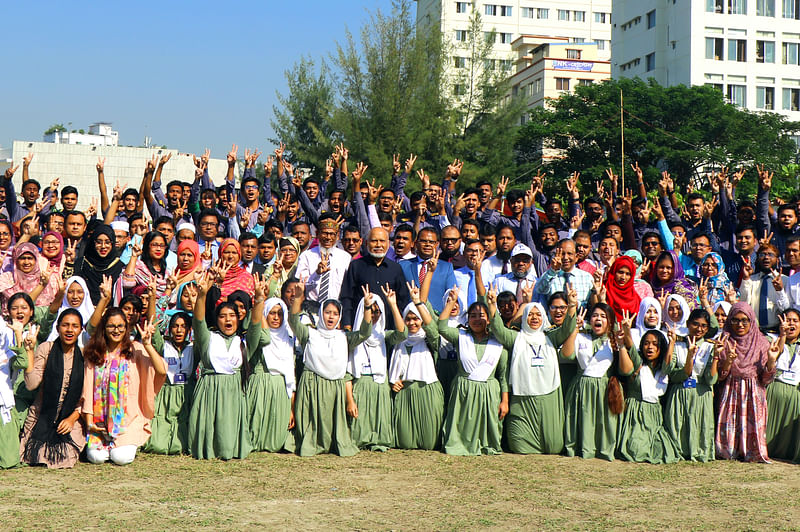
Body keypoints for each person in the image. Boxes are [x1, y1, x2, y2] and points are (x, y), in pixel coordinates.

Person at [489, 286, 578, 454]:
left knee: (554, 446)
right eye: (530, 314)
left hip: (548, 394)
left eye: (538, 315)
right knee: (519, 446)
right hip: (522, 395)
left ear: (543, 317)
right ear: (524, 318)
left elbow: (567, 328)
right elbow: (499, 330)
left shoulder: (550, 336)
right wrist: (493, 304)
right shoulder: (516, 338)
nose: (534, 318)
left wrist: (572, 305)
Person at [288, 282, 373, 457]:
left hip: (335, 387)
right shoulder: (310, 334)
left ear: (340, 317)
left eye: (335, 313)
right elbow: (293, 321)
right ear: (321, 314)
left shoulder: (344, 337)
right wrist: (298, 297)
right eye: (327, 312)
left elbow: (364, 333)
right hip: (313, 384)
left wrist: (366, 307)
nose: (331, 317)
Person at [188, 272, 264, 460]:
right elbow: (198, 322)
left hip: (233, 391)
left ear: (238, 319)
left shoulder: (244, 342)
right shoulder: (208, 338)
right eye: (222, 316)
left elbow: (255, 326)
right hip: (209, 389)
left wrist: (260, 299)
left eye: (232, 315)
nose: (227, 320)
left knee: (229, 425)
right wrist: (202, 295)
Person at [82, 307, 167, 465]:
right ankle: (106, 444)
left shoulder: (135, 349)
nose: (116, 330)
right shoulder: (95, 353)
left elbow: (161, 370)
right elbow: (87, 389)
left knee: (121, 458)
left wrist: (148, 344)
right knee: (96, 458)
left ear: (126, 328)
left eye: (120, 326)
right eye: (111, 326)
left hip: (128, 419)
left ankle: (123, 442)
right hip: (100, 421)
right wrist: (89, 422)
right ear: (104, 328)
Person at [438, 287, 509, 456]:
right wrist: (451, 302)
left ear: (490, 319)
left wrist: (504, 401)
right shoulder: (460, 337)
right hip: (464, 389)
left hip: (489, 391)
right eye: (473, 316)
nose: (477, 319)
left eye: (481, 316)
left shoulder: (498, 342)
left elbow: (503, 375)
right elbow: (441, 327)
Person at [19, 309, 85, 468]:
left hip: (69, 418)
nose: (70, 330)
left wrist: (71, 419)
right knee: (36, 456)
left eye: (75, 326)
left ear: (81, 330)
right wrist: (29, 351)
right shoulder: (46, 348)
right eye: (65, 325)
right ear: (58, 328)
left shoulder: (84, 355)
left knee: (64, 457)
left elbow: (87, 396)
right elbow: (31, 384)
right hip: (42, 415)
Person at [715, 302, 779, 462]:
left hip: (753, 392)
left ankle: (752, 451)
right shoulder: (724, 341)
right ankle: (728, 450)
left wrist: (771, 361)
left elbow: (765, 380)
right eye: (735, 320)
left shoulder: (762, 343)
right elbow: (719, 377)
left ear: (752, 321)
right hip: (730, 390)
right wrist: (728, 361)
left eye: (745, 320)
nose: (740, 324)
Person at [388, 284, 444, 450]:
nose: (412, 323)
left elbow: (432, 329)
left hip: (426, 390)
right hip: (404, 391)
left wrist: (418, 302)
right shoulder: (398, 340)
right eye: (408, 319)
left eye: (416, 319)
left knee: (429, 443)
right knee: (405, 442)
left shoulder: (429, 340)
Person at [563, 303, 620, 461]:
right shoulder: (582, 337)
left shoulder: (614, 339)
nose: (598, 319)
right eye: (595, 315)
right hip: (581, 385)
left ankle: (603, 448)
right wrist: (575, 329)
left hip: (604, 386)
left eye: (603, 316)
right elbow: (566, 355)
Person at [616, 328, 681, 464]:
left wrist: (672, 342)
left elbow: (668, 366)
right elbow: (631, 347)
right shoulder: (638, 361)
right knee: (636, 450)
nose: (650, 347)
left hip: (654, 414)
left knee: (663, 450)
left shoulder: (661, 369)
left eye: (654, 344)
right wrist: (627, 329)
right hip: (636, 411)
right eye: (646, 343)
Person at [665, 308, 719, 462]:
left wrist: (716, 356)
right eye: (695, 324)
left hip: (701, 393)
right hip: (680, 391)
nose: (699, 329)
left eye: (703, 326)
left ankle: (700, 450)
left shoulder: (710, 346)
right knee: (678, 426)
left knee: (700, 426)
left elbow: (711, 379)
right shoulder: (678, 344)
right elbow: (669, 370)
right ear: (688, 324)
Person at [142, 312, 195, 455]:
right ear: (170, 329)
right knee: (157, 445)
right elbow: (154, 335)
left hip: (186, 394)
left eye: (183, 327)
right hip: (165, 393)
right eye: (175, 326)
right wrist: (153, 296)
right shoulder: (163, 346)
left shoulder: (193, 348)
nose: (179, 330)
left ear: (189, 330)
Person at [247, 298, 296, 453]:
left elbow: (290, 375)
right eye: (272, 313)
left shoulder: (287, 340)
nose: (276, 318)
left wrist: (291, 408)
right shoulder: (260, 336)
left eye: (280, 314)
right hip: (260, 385)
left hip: (280, 389)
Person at [347, 289, 393, 451]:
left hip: (380, 382)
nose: (374, 315)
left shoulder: (383, 336)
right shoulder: (354, 337)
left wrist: (392, 305)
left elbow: (403, 333)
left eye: (377, 311)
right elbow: (364, 333)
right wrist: (367, 306)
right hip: (361, 381)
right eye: (371, 311)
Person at [766, 309, 800, 463]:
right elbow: (775, 355)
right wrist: (783, 335)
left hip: (795, 391)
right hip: (775, 388)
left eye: (795, 320)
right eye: (787, 320)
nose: (791, 323)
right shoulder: (772, 339)